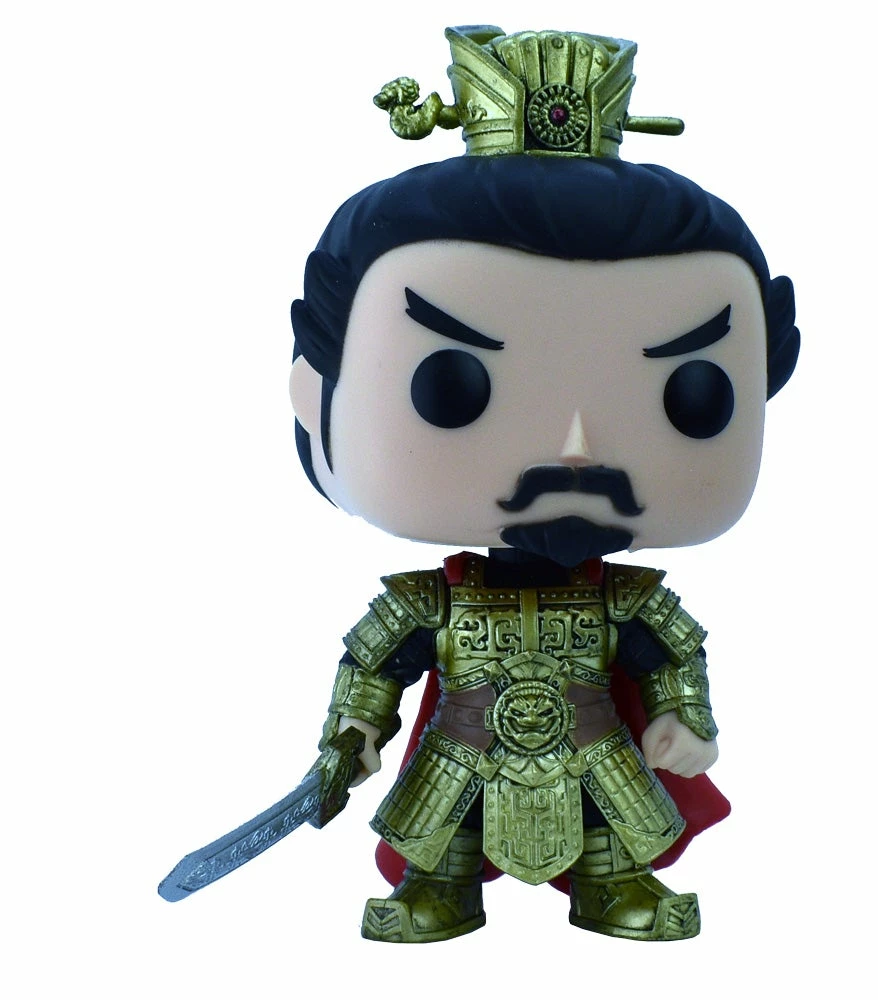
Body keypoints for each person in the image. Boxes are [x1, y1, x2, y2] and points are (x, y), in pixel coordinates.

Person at [288, 26, 799, 942]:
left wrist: (687, 720)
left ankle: (613, 888)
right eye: (451, 382)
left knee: (616, 811)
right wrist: (350, 736)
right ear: (311, 392)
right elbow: (374, 667)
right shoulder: (426, 605)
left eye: (694, 391)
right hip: (461, 749)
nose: (577, 446)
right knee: (440, 816)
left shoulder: (629, 602)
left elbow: (674, 657)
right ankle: (438, 890)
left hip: (598, 747)